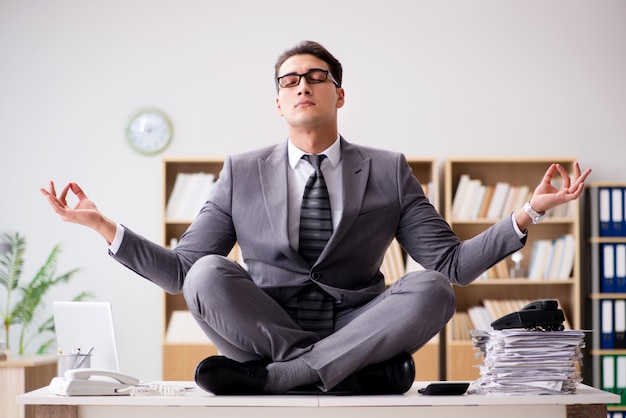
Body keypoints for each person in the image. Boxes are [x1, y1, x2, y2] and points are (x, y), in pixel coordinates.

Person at [41, 40, 591, 395]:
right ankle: (341, 373)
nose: (301, 84)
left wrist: (529, 211)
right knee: (209, 272)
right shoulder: (240, 171)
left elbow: (452, 264)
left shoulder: (388, 169)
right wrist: (103, 227)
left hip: (357, 325)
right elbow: (183, 272)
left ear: (340, 94)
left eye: (316, 76)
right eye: (288, 80)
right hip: (262, 329)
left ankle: (284, 379)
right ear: (278, 103)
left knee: (431, 289)